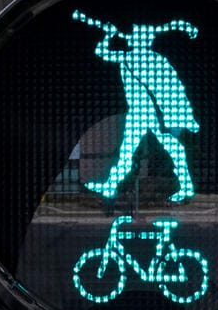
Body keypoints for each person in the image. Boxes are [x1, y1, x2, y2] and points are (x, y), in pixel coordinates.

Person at [75, 13, 202, 203]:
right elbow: (101, 52)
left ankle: (186, 186)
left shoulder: (150, 60)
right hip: (138, 113)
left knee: (171, 150)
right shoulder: (130, 57)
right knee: (128, 152)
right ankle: (111, 186)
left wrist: (181, 115)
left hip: (153, 114)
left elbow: (172, 87)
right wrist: (108, 35)